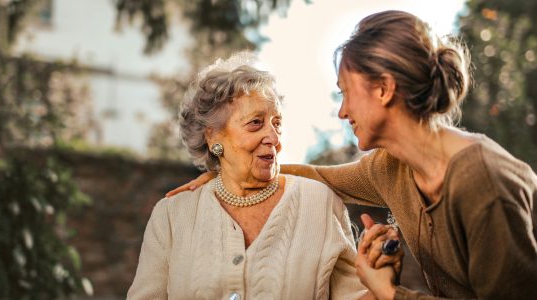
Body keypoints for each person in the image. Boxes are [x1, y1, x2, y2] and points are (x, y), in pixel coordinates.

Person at [166, 11, 537, 299]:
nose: (342, 112)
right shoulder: (391, 168)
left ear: (384, 89)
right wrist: (229, 172)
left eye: (345, 92)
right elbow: (318, 176)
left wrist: (389, 292)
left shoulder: (482, 182)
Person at [127, 52, 402, 299]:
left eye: (277, 123)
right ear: (213, 137)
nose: (273, 137)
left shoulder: (320, 203)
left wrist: (382, 281)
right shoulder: (172, 216)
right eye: (255, 123)